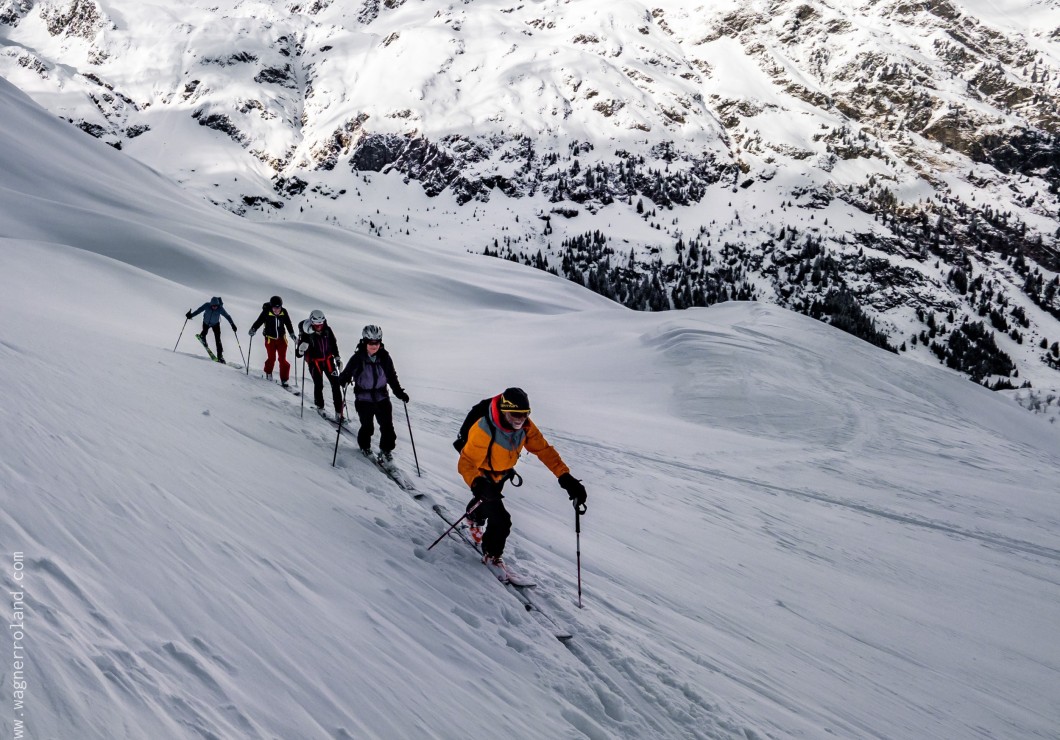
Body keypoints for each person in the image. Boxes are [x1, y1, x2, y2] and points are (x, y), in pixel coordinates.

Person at [457, 387, 587, 568]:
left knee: (486, 503)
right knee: (501, 520)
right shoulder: (484, 429)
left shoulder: (526, 426)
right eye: (514, 415)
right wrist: (477, 483)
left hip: (502, 473)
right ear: (503, 411)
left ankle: (473, 518)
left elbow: (544, 450)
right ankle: (492, 555)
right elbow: (466, 462)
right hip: (483, 475)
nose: (520, 420)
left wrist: (566, 478)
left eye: (524, 414)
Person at [337, 325, 409, 461]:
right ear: (365, 342)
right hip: (363, 398)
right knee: (367, 427)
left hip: (382, 397)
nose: (374, 346)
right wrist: (344, 380)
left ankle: (386, 450)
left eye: (377, 342)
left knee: (388, 427)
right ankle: (364, 447)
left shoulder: (385, 357)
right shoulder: (358, 358)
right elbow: (346, 374)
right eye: (371, 343)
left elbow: (391, 377)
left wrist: (399, 393)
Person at [295, 309, 344, 420]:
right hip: (314, 362)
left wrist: (337, 358)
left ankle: (339, 412)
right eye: (316, 324)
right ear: (312, 322)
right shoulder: (306, 333)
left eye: (321, 324)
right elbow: (298, 355)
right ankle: (320, 407)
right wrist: (301, 350)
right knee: (319, 384)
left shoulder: (328, 330)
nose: (319, 326)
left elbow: (333, 344)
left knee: (336, 384)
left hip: (328, 361)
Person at [249, 295, 296, 386]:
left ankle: (284, 379)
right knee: (272, 358)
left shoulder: (284, 312)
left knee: (282, 360)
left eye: (278, 308)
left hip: (282, 339)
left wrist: (292, 334)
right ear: (271, 306)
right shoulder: (266, 312)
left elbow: (288, 324)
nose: (276, 310)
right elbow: (259, 321)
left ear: (281, 306)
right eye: (274, 308)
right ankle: (268, 372)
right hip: (270, 339)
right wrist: (253, 329)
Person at [186, 296, 236, 363]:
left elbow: (227, 316)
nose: (215, 307)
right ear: (211, 304)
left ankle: (220, 356)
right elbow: (198, 311)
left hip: (215, 324)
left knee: (218, 340)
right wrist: (191, 315)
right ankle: (202, 337)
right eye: (213, 306)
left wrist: (232, 324)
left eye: (216, 306)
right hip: (206, 323)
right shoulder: (207, 305)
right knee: (204, 332)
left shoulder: (220, 308)